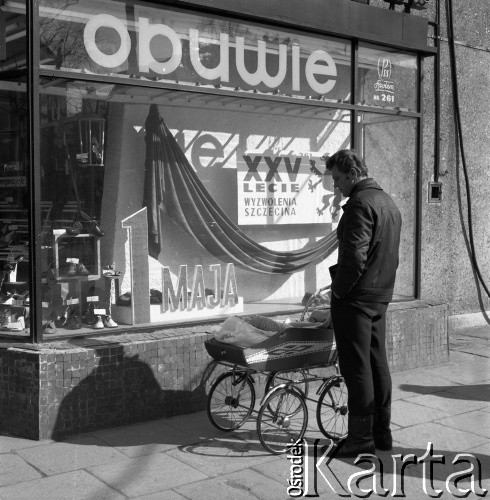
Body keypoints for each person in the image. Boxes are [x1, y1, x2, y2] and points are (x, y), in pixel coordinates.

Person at [324, 149, 402, 457]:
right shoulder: (388, 203)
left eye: (337, 178)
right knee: (377, 362)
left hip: (356, 299)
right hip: (379, 295)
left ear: (352, 173)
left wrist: (337, 293)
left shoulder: (359, 205)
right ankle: (381, 434)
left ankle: (360, 438)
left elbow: (354, 259)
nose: (336, 186)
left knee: (357, 369)